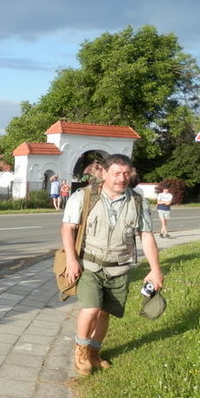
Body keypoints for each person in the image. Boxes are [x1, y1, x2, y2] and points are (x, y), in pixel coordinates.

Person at [61, 154, 163, 375]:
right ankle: (81, 351)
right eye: (117, 173)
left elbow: (146, 235)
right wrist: (71, 259)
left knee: (105, 313)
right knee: (91, 309)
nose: (122, 178)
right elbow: (68, 228)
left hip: (119, 268)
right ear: (104, 173)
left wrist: (155, 270)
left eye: (126, 173)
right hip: (90, 265)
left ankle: (94, 352)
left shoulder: (138, 202)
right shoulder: (84, 197)